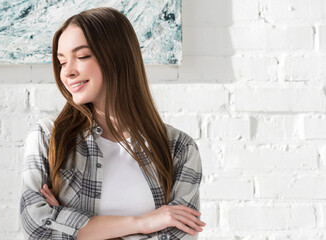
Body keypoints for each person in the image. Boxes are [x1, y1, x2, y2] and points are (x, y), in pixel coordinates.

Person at [20, 7, 205, 240]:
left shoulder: (179, 148)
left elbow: (180, 237)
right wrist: (144, 222)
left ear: (117, 56)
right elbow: (37, 228)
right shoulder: (48, 137)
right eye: (62, 61)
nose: (67, 72)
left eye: (82, 56)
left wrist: (74, 229)